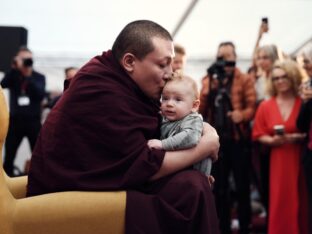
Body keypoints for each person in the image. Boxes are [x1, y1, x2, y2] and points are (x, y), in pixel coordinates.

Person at [26, 20, 220, 234]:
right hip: (66, 192)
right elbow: (140, 164)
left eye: (172, 64)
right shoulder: (101, 91)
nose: (170, 73)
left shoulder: (120, 80)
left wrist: (202, 133)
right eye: (163, 64)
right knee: (192, 188)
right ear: (129, 62)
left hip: (99, 181)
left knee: (190, 185)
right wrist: (204, 148)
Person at [199, 41, 256, 234]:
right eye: (220, 57)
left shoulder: (244, 79)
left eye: (228, 57)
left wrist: (241, 115)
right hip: (217, 142)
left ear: (235, 58)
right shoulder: (210, 79)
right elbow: (200, 110)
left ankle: (245, 225)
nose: (224, 62)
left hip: (238, 140)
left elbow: (252, 107)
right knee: (219, 188)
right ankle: (221, 227)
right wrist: (209, 86)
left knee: (242, 186)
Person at [253, 59, 308, 234]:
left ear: (293, 77)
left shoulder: (304, 103)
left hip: (301, 157)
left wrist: (298, 137)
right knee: (279, 200)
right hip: (277, 159)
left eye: (284, 76)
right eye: (276, 78)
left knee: (303, 201)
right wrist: (270, 141)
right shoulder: (265, 106)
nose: (280, 81)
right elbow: (257, 133)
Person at [148, 74, 212, 176]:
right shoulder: (167, 118)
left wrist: (162, 144)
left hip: (194, 174)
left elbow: (190, 138)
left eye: (178, 100)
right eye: (165, 98)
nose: (169, 103)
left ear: (194, 106)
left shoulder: (192, 120)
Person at [0, 46, 46, 176]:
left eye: (28, 59)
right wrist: (14, 68)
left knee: (39, 155)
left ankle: (40, 183)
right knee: (9, 156)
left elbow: (40, 94)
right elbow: (2, 84)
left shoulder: (39, 77)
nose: (26, 61)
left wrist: (28, 76)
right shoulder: (14, 75)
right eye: (23, 59)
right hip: (15, 122)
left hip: (33, 122)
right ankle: (7, 186)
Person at [297, 47, 312, 234]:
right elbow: (301, 124)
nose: (305, 66)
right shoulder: (308, 85)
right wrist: (306, 102)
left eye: (307, 61)